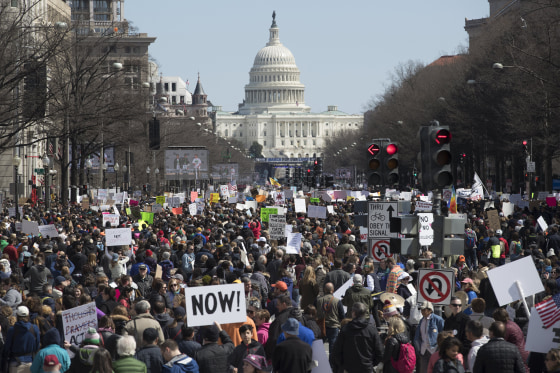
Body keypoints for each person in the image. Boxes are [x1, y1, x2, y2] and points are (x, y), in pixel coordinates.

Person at [332, 302, 384, 373]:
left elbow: (336, 351)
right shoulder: (372, 330)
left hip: (349, 368)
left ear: (353, 313)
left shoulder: (345, 329)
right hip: (366, 368)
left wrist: (343, 365)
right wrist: (370, 364)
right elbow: (380, 352)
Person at [2, 306, 41, 373]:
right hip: (30, 362)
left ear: (17, 316)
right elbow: (37, 346)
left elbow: (7, 348)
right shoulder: (34, 328)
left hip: (15, 362)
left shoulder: (12, 330)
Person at [414, 301, 444, 373]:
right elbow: (419, 335)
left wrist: (439, 347)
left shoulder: (438, 319)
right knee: (424, 370)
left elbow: (442, 333)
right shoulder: (422, 321)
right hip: (424, 350)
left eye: (424, 310)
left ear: (430, 310)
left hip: (434, 349)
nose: (422, 312)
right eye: (421, 310)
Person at [315, 282, 344, 356]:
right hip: (334, 326)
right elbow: (342, 315)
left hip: (321, 326)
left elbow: (313, 311)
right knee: (332, 347)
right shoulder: (337, 301)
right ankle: (331, 365)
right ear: (333, 290)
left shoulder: (318, 300)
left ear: (324, 289)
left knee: (319, 347)